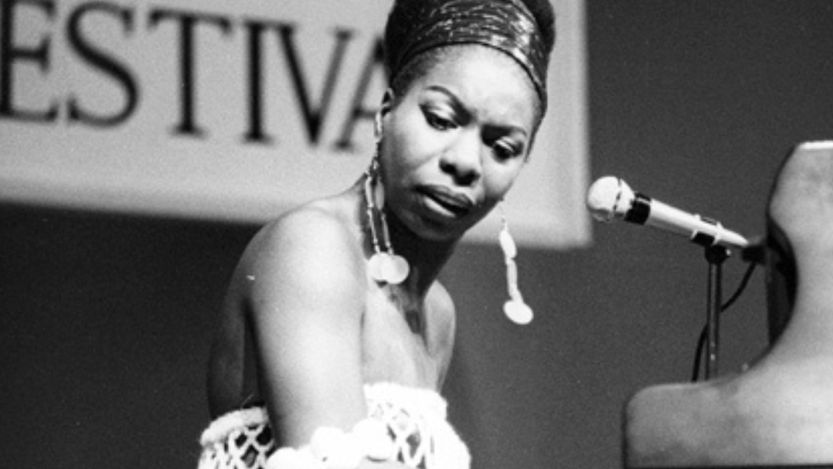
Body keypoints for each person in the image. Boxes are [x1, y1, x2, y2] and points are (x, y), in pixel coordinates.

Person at [197, 0, 555, 468]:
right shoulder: (312, 246)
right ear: (386, 111)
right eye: (442, 119)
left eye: (503, 147)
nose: (466, 162)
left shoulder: (437, 314)